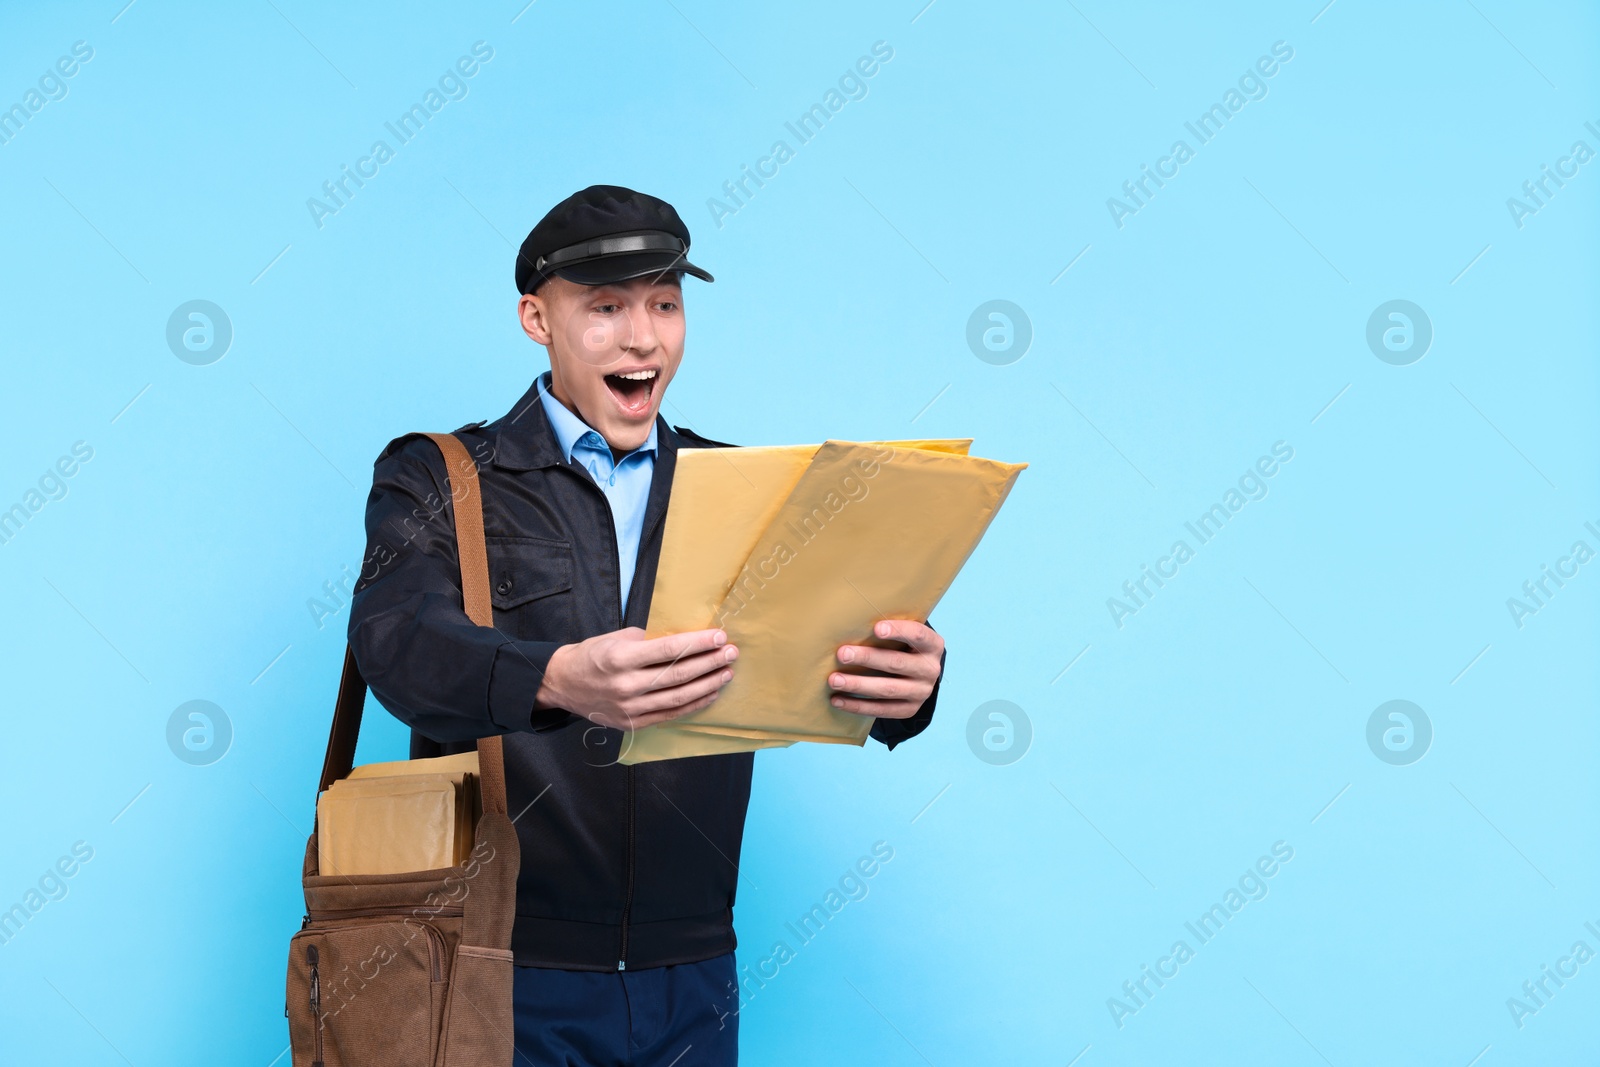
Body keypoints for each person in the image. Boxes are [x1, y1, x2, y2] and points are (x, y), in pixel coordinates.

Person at [346, 184, 947, 1066]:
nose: (643, 336)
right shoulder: (439, 476)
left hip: (693, 972)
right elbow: (398, 646)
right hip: (497, 963)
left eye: (665, 303)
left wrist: (910, 685)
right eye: (606, 306)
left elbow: (831, 651)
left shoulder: (746, 488)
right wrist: (554, 677)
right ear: (535, 319)